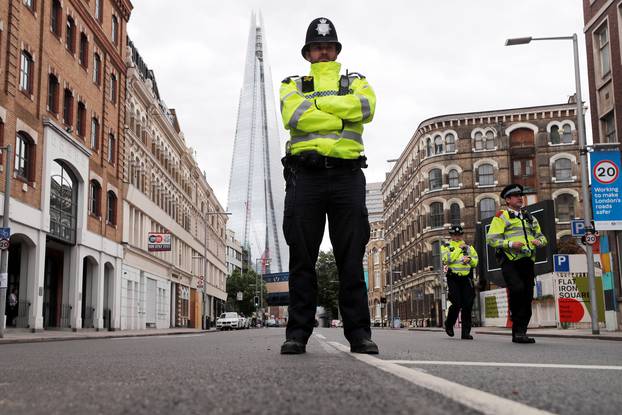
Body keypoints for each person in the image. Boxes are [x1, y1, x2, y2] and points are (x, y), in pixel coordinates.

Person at [279, 17, 377, 355]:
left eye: (328, 46)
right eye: (317, 46)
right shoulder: (292, 84)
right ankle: (297, 334)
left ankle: (360, 335)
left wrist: (319, 106)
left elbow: (366, 108)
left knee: (351, 258)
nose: (323, 50)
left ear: (336, 50)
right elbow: (295, 117)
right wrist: (339, 113)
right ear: (308, 52)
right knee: (301, 257)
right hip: (305, 177)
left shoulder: (357, 82)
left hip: (346, 176)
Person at [486, 184, 547, 344]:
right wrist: (511, 244)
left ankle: (521, 332)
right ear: (508, 199)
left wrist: (538, 242)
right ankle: (516, 324)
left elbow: (542, 238)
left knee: (527, 296)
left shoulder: (529, 217)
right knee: (517, 289)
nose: (520, 197)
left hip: (527, 261)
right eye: (516, 195)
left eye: (521, 194)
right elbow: (491, 239)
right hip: (510, 260)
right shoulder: (501, 216)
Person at [441, 225, 478, 340]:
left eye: (459, 235)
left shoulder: (468, 247)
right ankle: (449, 324)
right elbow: (446, 260)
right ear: (451, 235)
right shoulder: (446, 246)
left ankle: (466, 332)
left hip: (466, 278)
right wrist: (459, 249)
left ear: (462, 235)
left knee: (468, 304)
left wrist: (470, 260)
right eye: (454, 235)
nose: (457, 237)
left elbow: (475, 261)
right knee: (456, 303)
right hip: (453, 277)